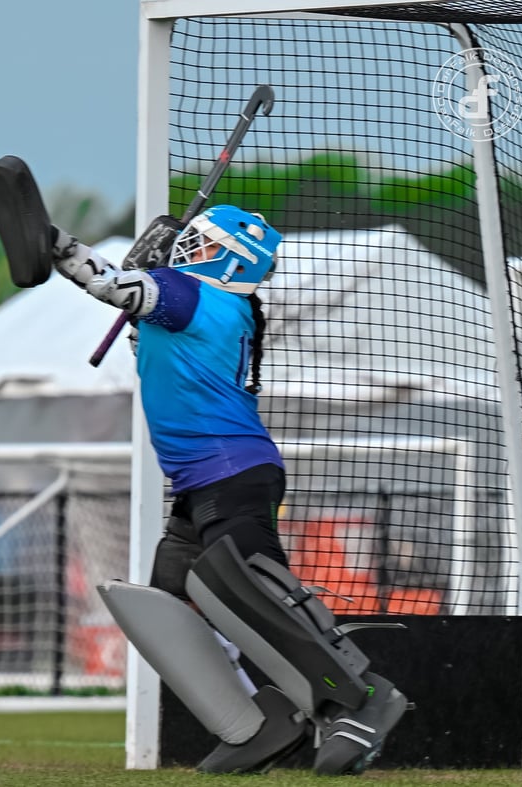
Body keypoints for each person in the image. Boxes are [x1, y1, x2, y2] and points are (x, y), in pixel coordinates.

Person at [41, 204, 407, 775]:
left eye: (204, 245)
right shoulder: (212, 303)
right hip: (201, 482)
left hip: (229, 474)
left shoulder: (192, 295)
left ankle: (360, 700)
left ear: (232, 262)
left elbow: (111, 287)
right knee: (173, 597)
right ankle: (255, 726)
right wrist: (145, 298)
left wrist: (61, 247)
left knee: (254, 597)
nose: (191, 249)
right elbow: (148, 341)